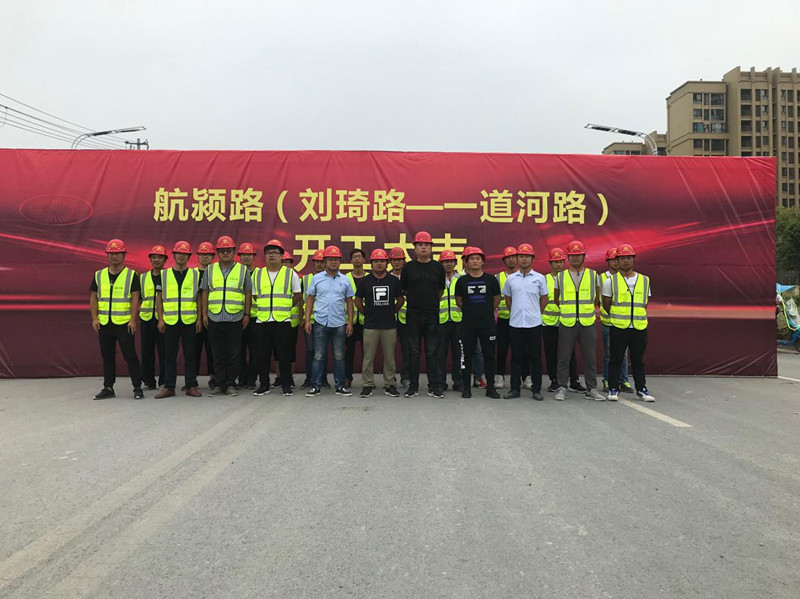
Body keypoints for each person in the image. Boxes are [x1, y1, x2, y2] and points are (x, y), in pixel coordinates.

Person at [89, 239, 143, 400]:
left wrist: (133, 320)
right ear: (107, 255)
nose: (114, 256)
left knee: (130, 356)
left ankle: (137, 387)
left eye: (117, 253)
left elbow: (135, 298)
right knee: (107, 357)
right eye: (111, 253)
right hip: (105, 323)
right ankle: (108, 387)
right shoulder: (99, 275)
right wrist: (94, 318)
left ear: (124, 255)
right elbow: (93, 297)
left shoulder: (131, 275)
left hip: (124, 323)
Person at [553, 240, 606, 401]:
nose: (575, 258)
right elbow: (557, 299)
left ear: (584, 256)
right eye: (572, 255)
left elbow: (597, 298)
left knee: (590, 357)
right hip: (567, 322)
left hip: (587, 322)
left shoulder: (593, 275)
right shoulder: (561, 276)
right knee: (563, 357)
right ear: (568, 257)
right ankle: (562, 387)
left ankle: (591, 389)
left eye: (578, 255)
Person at [200, 235, 252, 397]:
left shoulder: (243, 270)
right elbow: (205, 292)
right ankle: (219, 384)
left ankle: (230, 384)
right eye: (222, 251)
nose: (225, 253)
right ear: (217, 252)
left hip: (235, 317)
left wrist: (247, 314)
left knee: (234, 353)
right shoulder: (210, 270)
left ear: (234, 251)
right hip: (214, 317)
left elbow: (248, 292)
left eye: (228, 250)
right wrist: (204, 314)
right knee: (217, 353)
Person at [603, 244, 654, 402]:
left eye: (629, 258)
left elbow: (645, 303)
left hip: (639, 326)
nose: (626, 261)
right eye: (622, 258)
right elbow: (606, 303)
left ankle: (641, 390)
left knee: (638, 360)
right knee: (616, 358)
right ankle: (613, 389)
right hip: (619, 326)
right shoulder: (610, 281)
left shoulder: (644, 280)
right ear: (617, 261)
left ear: (634, 259)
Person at [251, 239, 302, 397]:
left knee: (284, 355)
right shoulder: (258, 274)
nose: (271, 255)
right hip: (263, 320)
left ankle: (286, 385)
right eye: (269, 253)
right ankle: (264, 385)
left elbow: (297, 295)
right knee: (262, 355)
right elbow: (254, 295)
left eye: (275, 252)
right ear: (265, 256)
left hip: (282, 320)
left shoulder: (290, 273)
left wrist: (285, 306)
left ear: (281, 255)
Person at [304, 245, 355, 397]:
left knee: (339, 356)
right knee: (318, 355)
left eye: (336, 259)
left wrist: (350, 323)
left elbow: (349, 302)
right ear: (325, 261)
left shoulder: (345, 280)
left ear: (340, 261)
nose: (333, 262)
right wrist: (307, 320)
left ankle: (340, 386)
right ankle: (315, 385)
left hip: (339, 323)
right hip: (320, 322)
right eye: (330, 259)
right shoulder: (316, 279)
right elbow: (310, 299)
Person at [400, 231, 445, 398]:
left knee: (432, 352)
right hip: (413, 315)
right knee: (413, 352)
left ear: (431, 247)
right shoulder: (408, 267)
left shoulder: (438, 267)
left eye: (426, 245)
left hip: (432, 315)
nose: (423, 247)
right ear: (415, 249)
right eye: (420, 245)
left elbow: (440, 290)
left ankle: (434, 386)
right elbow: (405, 290)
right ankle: (413, 386)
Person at [155, 241, 202, 398]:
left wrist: (199, 319)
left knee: (190, 355)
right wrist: (160, 319)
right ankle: (169, 387)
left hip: (189, 320)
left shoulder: (195, 275)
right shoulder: (164, 275)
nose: (181, 256)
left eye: (184, 254)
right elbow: (159, 298)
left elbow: (199, 298)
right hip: (170, 321)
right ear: (174, 255)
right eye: (178, 253)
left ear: (189, 257)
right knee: (169, 356)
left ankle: (191, 385)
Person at [501, 243, 548, 400]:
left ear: (532, 259)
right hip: (515, 324)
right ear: (517, 258)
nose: (524, 259)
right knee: (516, 357)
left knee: (535, 357)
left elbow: (544, 298)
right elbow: (508, 299)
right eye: (521, 256)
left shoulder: (539, 278)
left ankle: (536, 389)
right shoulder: (511, 279)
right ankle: (514, 389)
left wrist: (535, 313)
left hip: (534, 323)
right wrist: (515, 312)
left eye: (527, 256)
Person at [355, 248, 403, 397]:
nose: (379, 264)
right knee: (368, 357)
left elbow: (400, 300)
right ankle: (367, 384)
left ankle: (390, 384)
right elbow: (357, 300)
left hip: (389, 325)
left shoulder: (394, 281)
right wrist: (367, 313)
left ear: (387, 263)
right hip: (371, 325)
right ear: (371, 264)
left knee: (389, 357)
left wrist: (392, 311)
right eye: (376, 261)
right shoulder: (365, 281)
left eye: (382, 261)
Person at [455, 247, 501, 399]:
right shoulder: (462, 281)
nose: (475, 261)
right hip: (468, 325)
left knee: (489, 356)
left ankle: (491, 388)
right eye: (471, 259)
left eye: (477, 259)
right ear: (466, 262)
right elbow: (459, 301)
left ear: (482, 262)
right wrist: (471, 311)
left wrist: (485, 311)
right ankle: (466, 388)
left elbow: (496, 299)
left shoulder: (491, 280)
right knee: (467, 356)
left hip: (487, 324)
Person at [541, 248, 581, 393]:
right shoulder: (544, 279)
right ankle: (554, 380)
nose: (558, 265)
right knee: (551, 353)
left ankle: (574, 380)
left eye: (560, 262)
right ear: (550, 263)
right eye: (555, 262)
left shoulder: (568, 277)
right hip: (548, 321)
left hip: (566, 320)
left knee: (569, 353)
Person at [600, 247, 633, 393]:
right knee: (609, 352)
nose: (615, 262)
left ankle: (623, 380)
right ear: (608, 261)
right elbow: (600, 300)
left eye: (616, 259)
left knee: (623, 353)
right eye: (612, 260)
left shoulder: (626, 278)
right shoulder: (602, 278)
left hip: (624, 322)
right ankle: (607, 379)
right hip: (608, 322)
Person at [300, 249, 330, 390]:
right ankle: (309, 378)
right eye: (317, 262)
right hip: (310, 321)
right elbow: (301, 300)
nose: (319, 264)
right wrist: (302, 318)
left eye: (322, 262)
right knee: (310, 350)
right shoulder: (305, 279)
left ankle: (323, 379)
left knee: (322, 351)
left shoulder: (330, 278)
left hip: (324, 320)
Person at [272, 250, 301, 389]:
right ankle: (279, 377)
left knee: (290, 351)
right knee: (277, 351)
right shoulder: (274, 277)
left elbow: (300, 299)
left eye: (288, 262)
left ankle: (289, 377)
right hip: (275, 318)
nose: (285, 264)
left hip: (292, 321)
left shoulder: (294, 277)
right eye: (283, 262)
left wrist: (301, 318)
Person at [139, 245, 167, 390]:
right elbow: (137, 298)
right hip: (146, 318)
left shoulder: (168, 276)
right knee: (146, 351)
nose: (156, 260)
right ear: (150, 259)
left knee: (164, 351)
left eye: (160, 257)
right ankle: (148, 381)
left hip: (164, 319)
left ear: (165, 260)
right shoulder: (142, 277)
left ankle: (164, 381)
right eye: (154, 257)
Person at [435, 250, 463, 393]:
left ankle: (458, 382)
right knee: (440, 354)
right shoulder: (436, 280)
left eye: (451, 261)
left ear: (455, 263)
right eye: (446, 262)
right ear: (441, 264)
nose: (449, 264)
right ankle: (440, 382)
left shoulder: (461, 279)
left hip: (459, 321)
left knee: (458, 353)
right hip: (441, 321)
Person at [236, 242, 259, 390]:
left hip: (256, 317)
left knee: (255, 351)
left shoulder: (260, 273)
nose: (246, 257)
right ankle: (242, 378)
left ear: (254, 256)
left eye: (249, 254)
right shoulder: (236, 273)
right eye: (243, 255)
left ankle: (252, 379)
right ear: (239, 256)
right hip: (238, 316)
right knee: (239, 350)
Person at [494, 246, 518, 390]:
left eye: (513, 257)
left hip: (520, 319)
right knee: (502, 349)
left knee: (521, 350)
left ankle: (525, 376)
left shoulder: (523, 276)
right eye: (508, 257)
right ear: (504, 260)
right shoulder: (498, 277)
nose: (511, 260)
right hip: (503, 319)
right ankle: (500, 376)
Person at [195, 241, 216, 390]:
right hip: (194, 317)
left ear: (213, 257)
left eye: (208, 254)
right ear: (198, 256)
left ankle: (213, 378)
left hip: (212, 317)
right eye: (202, 254)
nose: (205, 257)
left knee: (212, 349)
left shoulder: (215, 273)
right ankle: (192, 379)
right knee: (193, 350)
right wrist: (199, 316)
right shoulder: (193, 274)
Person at [344, 248, 366, 388]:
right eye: (354, 257)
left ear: (364, 260)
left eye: (359, 256)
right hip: (349, 321)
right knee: (348, 351)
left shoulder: (370, 278)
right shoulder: (344, 278)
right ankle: (347, 378)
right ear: (351, 260)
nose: (357, 259)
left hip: (366, 320)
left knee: (367, 352)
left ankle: (367, 379)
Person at [389, 246, 410, 387]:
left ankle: (406, 376)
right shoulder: (386, 278)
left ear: (404, 261)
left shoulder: (409, 277)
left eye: (399, 260)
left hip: (405, 318)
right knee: (389, 350)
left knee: (407, 349)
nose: (396, 262)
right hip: (389, 319)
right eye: (394, 260)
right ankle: (390, 377)